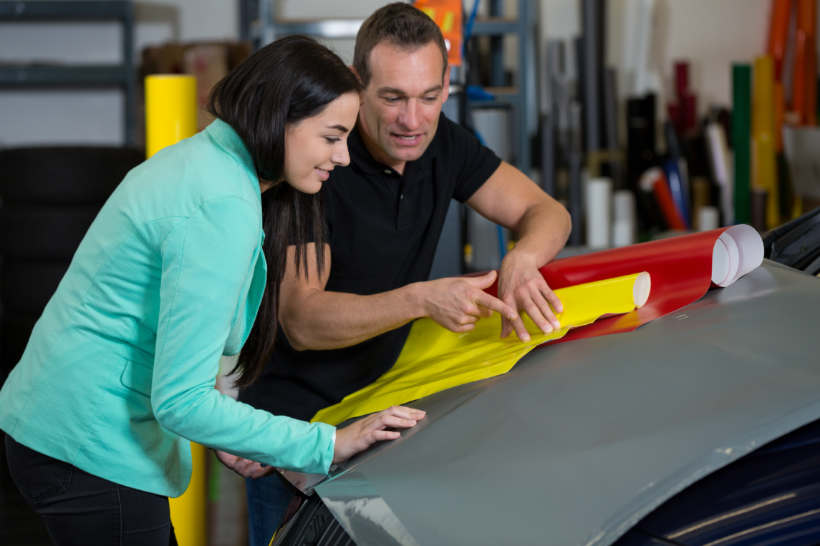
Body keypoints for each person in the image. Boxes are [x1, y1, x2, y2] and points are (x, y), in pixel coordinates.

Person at [0, 35, 424, 546]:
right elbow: (180, 401)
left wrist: (230, 418)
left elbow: (184, 325)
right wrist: (326, 443)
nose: (344, 157)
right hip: (88, 444)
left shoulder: (209, 161)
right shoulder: (221, 205)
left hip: (62, 423)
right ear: (279, 119)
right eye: (332, 136)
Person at [228, 4, 572, 544]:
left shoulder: (444, 145)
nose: (412, 120)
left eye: (429, 97)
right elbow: (304, 318)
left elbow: (548, 212)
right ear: (358, 86)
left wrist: (522, 257)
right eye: (392, 98)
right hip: (297, 429)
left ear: (446, 86)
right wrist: (421, 299)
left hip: (382, 413)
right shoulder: (321, 159)